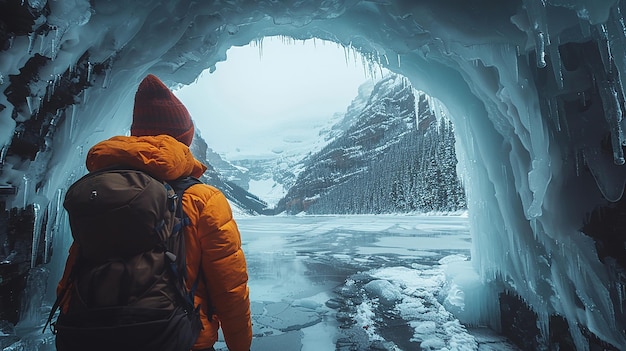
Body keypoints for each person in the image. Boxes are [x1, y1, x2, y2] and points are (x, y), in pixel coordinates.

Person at [56, 74, 253, 351]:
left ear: (136, 134)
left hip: (93, 335)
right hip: (177, 335)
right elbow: (230, 288)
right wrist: (240, 346)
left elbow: (74, 268)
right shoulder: (202, 199)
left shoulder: (105, 189)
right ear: (184, 138)